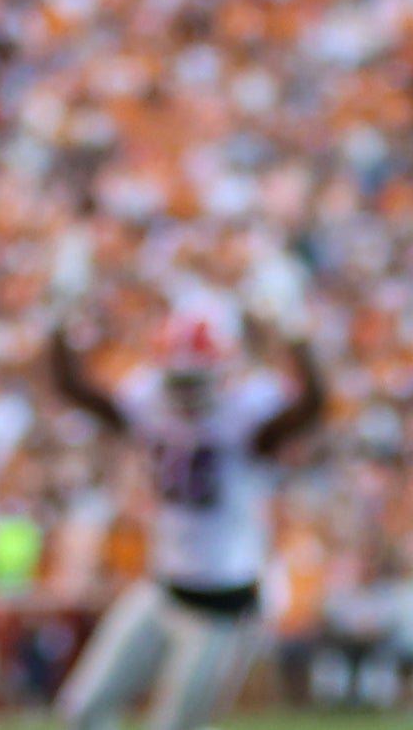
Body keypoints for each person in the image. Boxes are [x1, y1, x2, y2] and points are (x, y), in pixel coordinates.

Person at [50, 303, 327, 730]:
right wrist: (59, 330)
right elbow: (77, 389)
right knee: (82, 710)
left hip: (224, 607)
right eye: (177, 378)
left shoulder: (244, 415)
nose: (184, 392)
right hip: (162, 588)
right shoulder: (147, 400)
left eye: (194, 378)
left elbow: (312, 405)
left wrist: (299, 341)